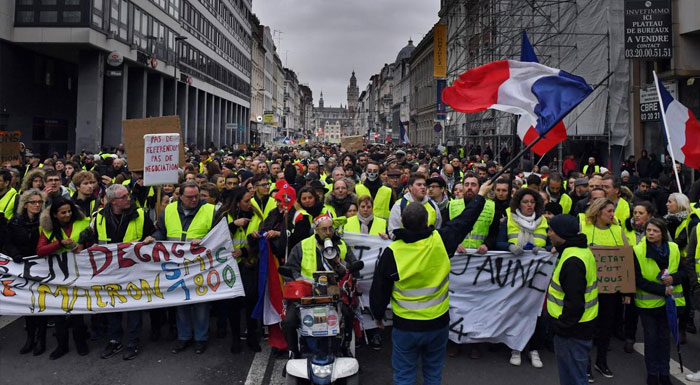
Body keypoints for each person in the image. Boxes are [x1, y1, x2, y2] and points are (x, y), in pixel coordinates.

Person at [369, 180, 492, 385]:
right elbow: (465, 221)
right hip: (437, 325)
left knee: (404, 375)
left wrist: (378, 316)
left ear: (402, 222)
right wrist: (481, 196)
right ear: (428, 222)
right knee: (433, 373)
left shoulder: (392, 252)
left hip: (405, 327)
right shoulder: (441, 240)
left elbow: (379, 289)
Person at [82, 184, 156, 360]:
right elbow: (90, 236)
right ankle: (115, 340)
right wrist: (84, 242)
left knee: (134, 308)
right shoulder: (98, 217)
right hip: (110, 272)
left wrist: (152, 237)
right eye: (124, 197)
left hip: (134, 271)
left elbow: (153, 234)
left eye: (128, 195)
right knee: (112, 307)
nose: (128, 198)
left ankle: (132, 342)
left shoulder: (139, 215)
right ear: (113, 201)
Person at [281, 214, 359, 358]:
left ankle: (345, 346)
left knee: (348, 315)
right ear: (316, 230)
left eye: (330, 229)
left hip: (334, 293)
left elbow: (353, 267)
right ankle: (294, 352)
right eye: (324, 229)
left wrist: (339, 262)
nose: (328, 232)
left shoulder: (341, 245)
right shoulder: (302, 246)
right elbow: (290, 268)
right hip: (306, 295)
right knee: (289, 322)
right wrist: (300, 282)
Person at [153, 182, 217, 355]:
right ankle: (184, 337)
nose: (194, 200)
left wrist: (205, 241)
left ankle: (201, 338)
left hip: (200, 265)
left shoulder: (210, 210)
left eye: (196, 196)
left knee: (201, 304)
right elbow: (161, 231)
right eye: (189, 197)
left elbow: (219, 235)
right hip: (176, 265)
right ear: (180, 196)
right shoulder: (169, 210)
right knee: (181, 302)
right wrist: (153, 238)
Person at [496, 187, 549, 368]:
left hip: (537, 275)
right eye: (525, 202)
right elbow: (499, 242)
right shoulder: (509, 219)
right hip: (514, 275)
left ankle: (533, 349)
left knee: (535, 313)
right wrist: (509, 247)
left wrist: (543, 250)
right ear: (519, 203)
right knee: (517, 309)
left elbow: (550, 245)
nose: (529, 205)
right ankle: (515, 348)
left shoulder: (543, 222)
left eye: (532, 202)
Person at [633, 218, 687, 385]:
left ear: (663, 233)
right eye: (648, 230)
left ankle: (664, 373)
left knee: (664, 340)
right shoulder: (637, 250)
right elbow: (637, 279)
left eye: (655, 231)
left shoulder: (674, 248)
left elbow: (684, 271)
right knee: (651, 340)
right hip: (648, 305)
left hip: (670, 304)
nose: (650, 233)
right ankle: (652, 373)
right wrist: (661, 290)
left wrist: (674, 278)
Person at [580, 197, 630, 379]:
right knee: (588, 326)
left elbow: (626, 260)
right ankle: (585, 364)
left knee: (606, 326)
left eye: (613, 211)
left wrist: (627, 289)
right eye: (609, 211)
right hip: (589, 288)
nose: (612, 214)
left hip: (611, 289)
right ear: (598, 212)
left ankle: (601, 361)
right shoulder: (585, 228)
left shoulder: (618, 230)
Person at [546, 214, 598, 385]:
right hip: (580, 326)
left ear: (562, 233)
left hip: (571, 330)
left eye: (551, 230)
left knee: (573, 377)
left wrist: (561, 326)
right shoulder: (579, 251)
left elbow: (574, 301)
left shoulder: (573, 260)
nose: (548, 234)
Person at [37, 197, 90, 359]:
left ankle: (81, 343)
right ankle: (62, 346)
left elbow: (92, 240)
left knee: (77, 312)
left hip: (78, 275)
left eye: (69, 211)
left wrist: (82, 244)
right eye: (63, 212)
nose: (67, 215)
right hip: (58, 278)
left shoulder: (83, 222)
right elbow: (40, 250)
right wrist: (59, 244)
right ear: (54, 215)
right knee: (59, 313)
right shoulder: (47, 228)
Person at [1, 189, 46, 356]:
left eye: (39, 202)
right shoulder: (15, 222)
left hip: (42, 266)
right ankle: (30, 338)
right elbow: (8, 241)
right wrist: (16, 255)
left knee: (41, 303)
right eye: (33, 202)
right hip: (23, 267)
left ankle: (41, 339)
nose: (36, 205)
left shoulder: (46, 220)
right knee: (29, 304)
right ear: (25, 204)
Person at [388, 172, 442, 237]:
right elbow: (393, 232)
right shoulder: (399, 205)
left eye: (424, 185)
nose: (423, 187)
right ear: (410, 187)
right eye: (419, 185)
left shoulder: (432, 205)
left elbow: (438, 228)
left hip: (428, 245)